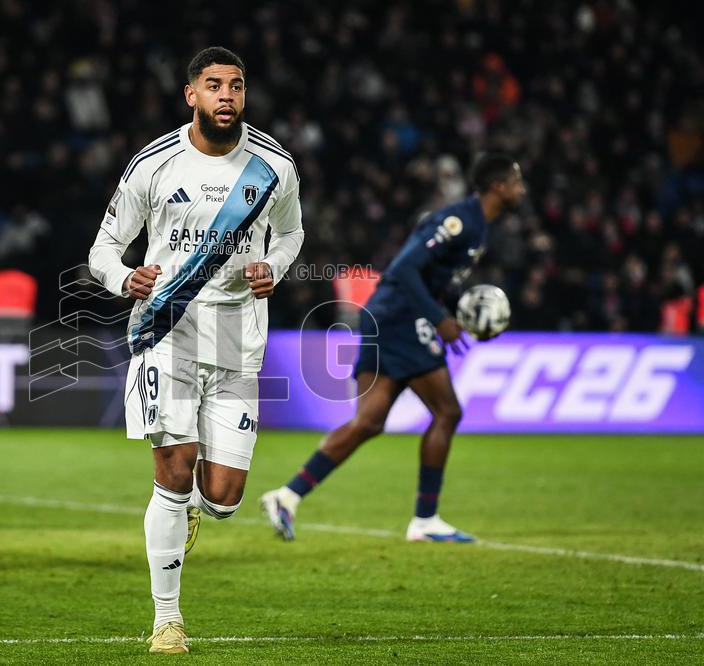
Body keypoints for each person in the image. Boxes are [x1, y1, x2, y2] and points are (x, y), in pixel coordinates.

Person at [88, 47, 304, 654]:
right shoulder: (153, 164)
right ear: (191, 95)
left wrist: (274, 266)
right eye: (213, 85)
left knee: (224, 498)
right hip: (165, 331)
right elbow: (103, 249)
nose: (226, 95)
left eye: (236, 85)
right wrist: (123, 278)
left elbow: (292, 233)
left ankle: (192, 510)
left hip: (238, 339)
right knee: (173, 469)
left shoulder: (274, 166)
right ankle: (167, 621)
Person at [261, 153, 525, 543]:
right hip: (400, 320)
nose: (521, 190)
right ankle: (425, 520)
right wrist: (439, 319)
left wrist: (463, 312)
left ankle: (286, 496)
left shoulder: (480, 227)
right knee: (448, 411)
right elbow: (403, 269)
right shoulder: (459, 221)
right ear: (498, 186)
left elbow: (435, 279)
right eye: (517, 182)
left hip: (388, 317)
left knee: (368, 422)